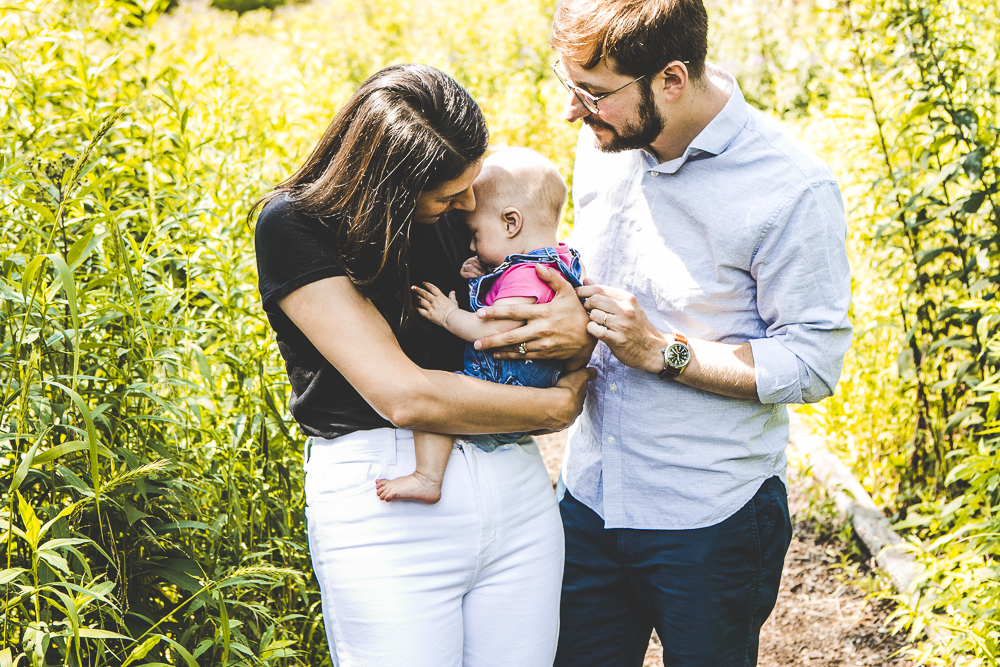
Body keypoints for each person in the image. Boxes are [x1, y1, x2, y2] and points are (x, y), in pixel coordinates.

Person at [470, 1, 853, 665]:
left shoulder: (791, 189)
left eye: (592, 93)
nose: (575, 110)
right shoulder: (608, 141)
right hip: (588, 500)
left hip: (711, 520)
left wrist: (662, 352)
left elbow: (813, 362)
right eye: (571, 88)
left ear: (672, 81)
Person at [252, 64, 593, 667]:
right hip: (388, 496)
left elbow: (542, 305)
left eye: (471, 185)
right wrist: (555, 406)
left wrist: (575, 332)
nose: (468, 203)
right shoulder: (295, 228)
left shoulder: (461, 222)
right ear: (393, 184)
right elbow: (403, 396)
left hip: (512, 481)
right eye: (449, 193)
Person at [376, 147, 587, 504]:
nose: (470, 244)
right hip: (530, 387)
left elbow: (495, 332)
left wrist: (448, 315)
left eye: (474, 233)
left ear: (511, 222)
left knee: (437, 400)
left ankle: (428, 477)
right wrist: (488, 275)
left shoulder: (526, 274)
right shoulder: (555, 261)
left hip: (502, 384)